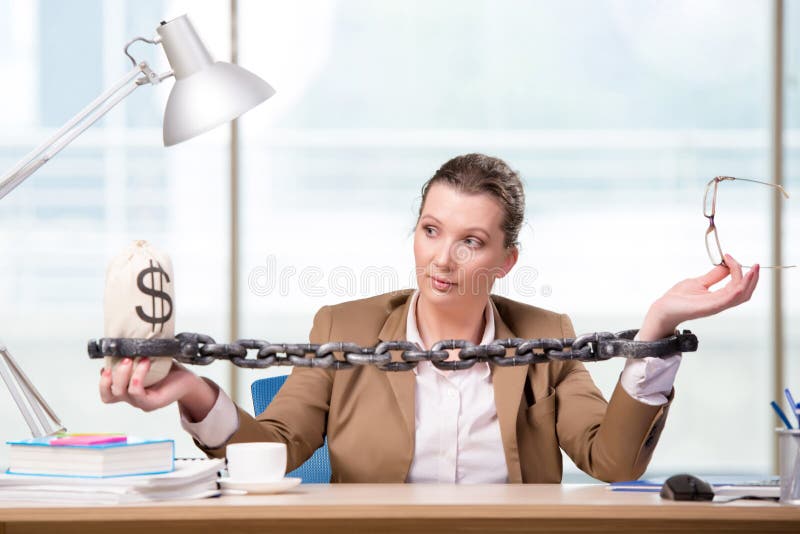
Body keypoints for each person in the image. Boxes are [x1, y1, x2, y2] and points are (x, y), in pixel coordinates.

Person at [99, 153, 759, 483]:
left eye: (471, 241)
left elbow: (613, 461)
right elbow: (268, 452)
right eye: (430, 229)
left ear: (506, 260)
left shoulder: (547, 334)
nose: (442, 258)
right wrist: (191, 388)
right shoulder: (344, 328)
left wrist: (658, 326)